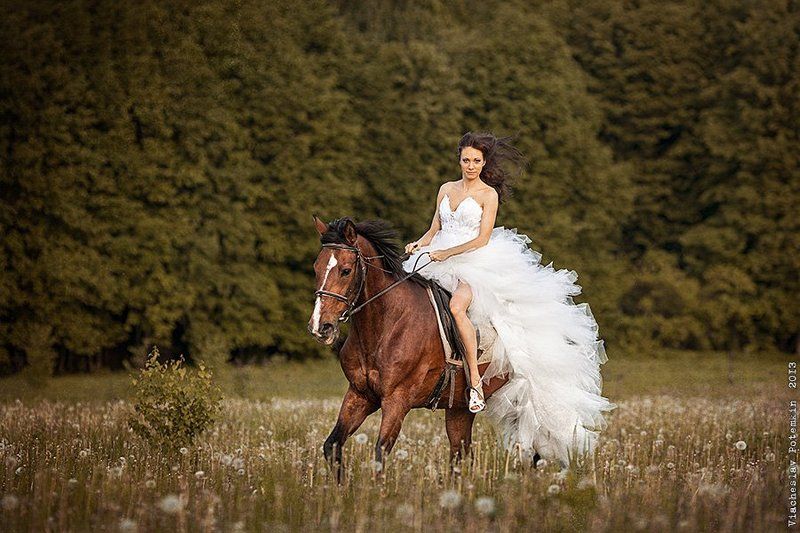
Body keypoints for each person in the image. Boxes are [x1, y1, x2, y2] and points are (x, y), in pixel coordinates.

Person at [402, 131, 616, 466]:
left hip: (474, 263)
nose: (470, 166)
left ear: (483, 162)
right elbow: (435, 229)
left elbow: (481, 239)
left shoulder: (488, 195)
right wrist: (420, 243)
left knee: (457, 306)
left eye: (476, 161)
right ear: (459, 160)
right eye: (466, 160)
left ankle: (474, 382)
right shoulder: (446, 189)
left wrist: (447, 253)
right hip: (437, 256)